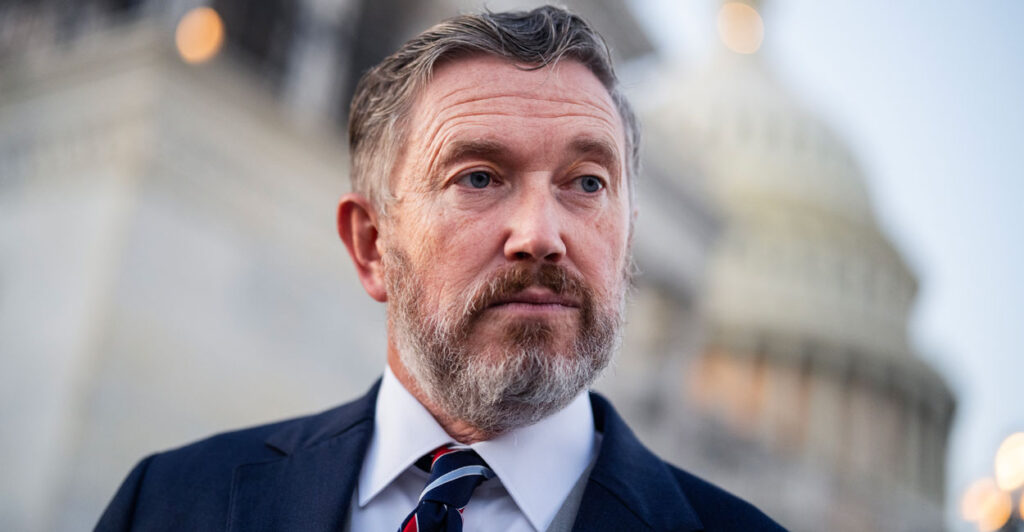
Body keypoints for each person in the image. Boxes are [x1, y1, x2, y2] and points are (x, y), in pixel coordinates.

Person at [97, 6, 785, 531]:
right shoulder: (169, 504)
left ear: (628, 243)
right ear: (371, 245)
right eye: (479, 177)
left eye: (587, 183)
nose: (541, 236)